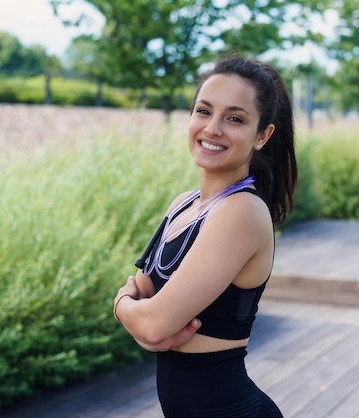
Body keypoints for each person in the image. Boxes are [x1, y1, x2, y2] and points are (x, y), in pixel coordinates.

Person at [113, 55, 298, 417]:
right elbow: (147, 298)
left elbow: (150, 323)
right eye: (203, 110)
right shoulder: (184, 205)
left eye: (234, 118)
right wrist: (143, 317)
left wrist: (121, 306)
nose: (212, 128)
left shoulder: (241, 212)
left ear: (262, 135)